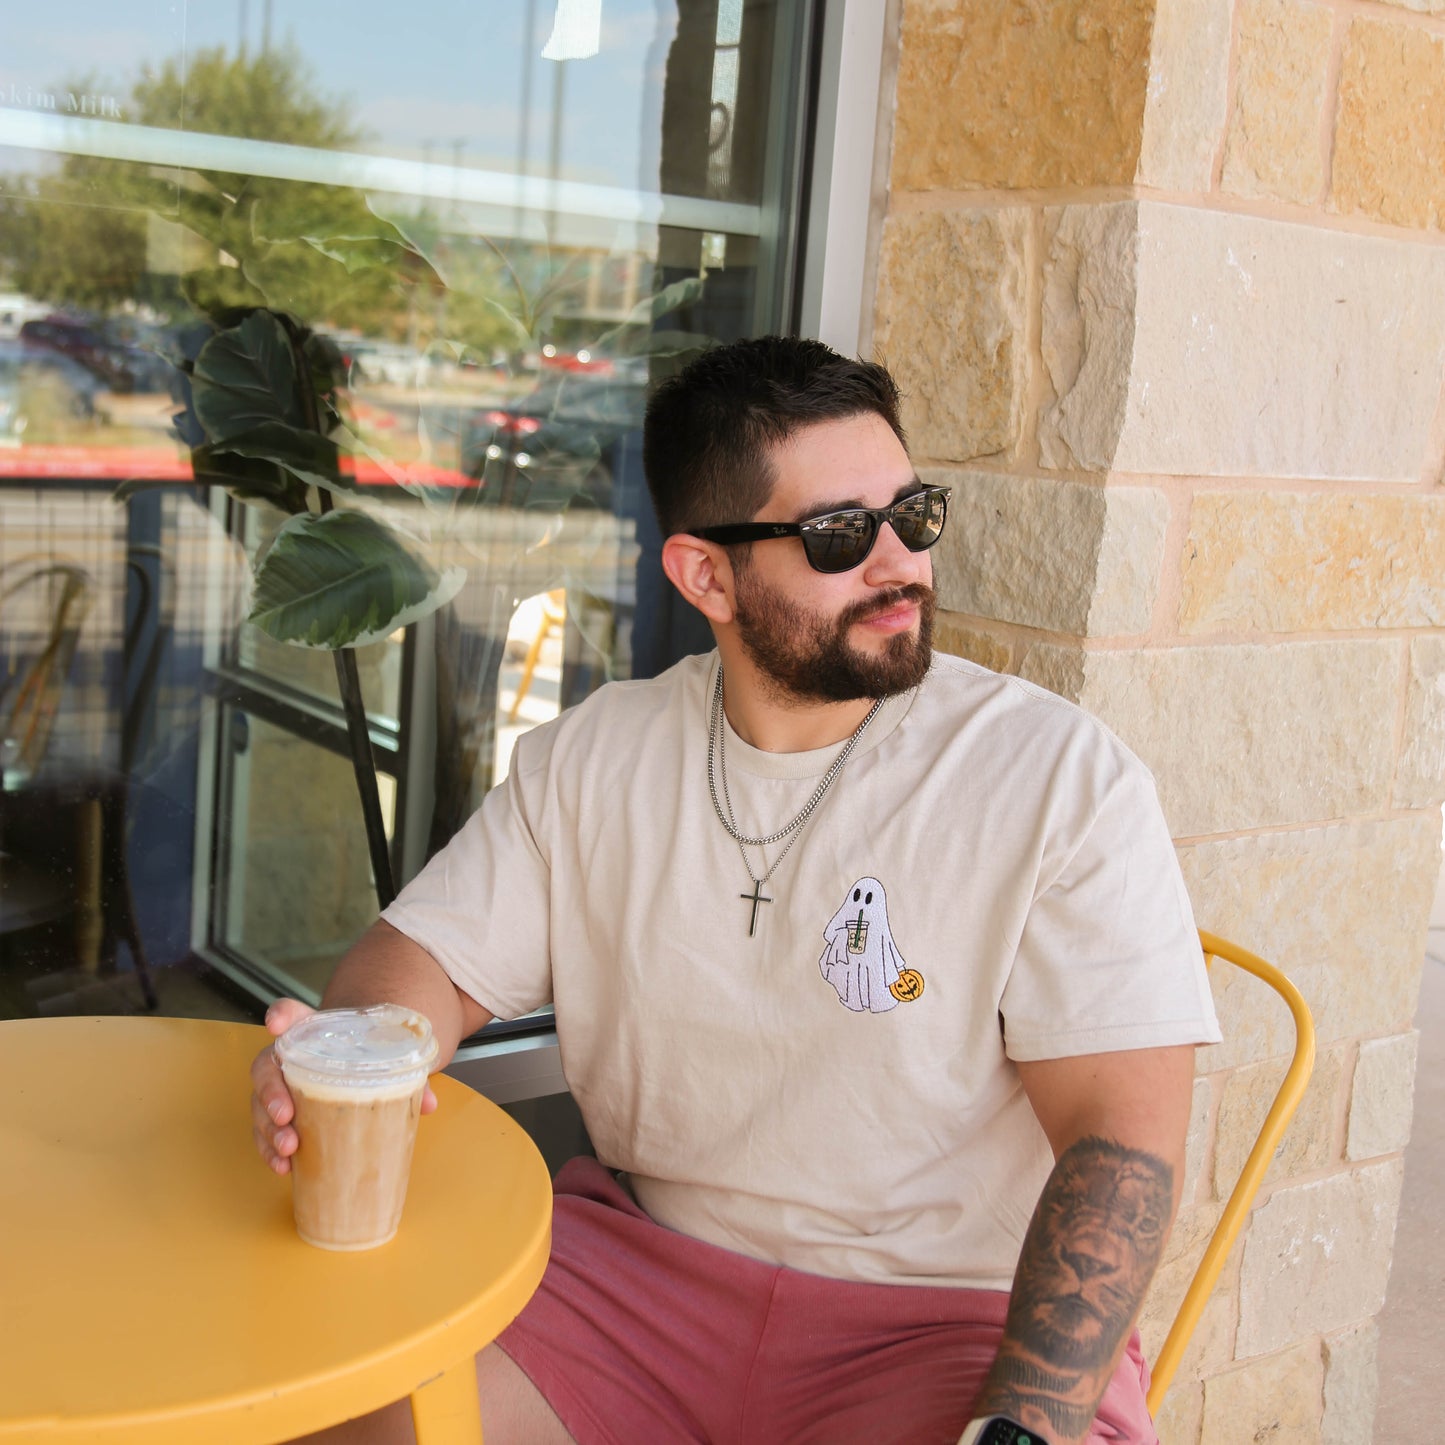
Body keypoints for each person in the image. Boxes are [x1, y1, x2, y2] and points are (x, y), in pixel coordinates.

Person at [251, 336, 1221, 1445]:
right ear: (704, 574)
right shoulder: (594, 756)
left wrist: (1023, 1422)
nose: (898, 561)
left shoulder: (1053, 775)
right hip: (632, 1282)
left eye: (913, 515)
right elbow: (418, 958)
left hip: (946, 1320)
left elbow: (1122, 1145)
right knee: (345, 1420)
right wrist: (364, 1050)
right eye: (840, 534)